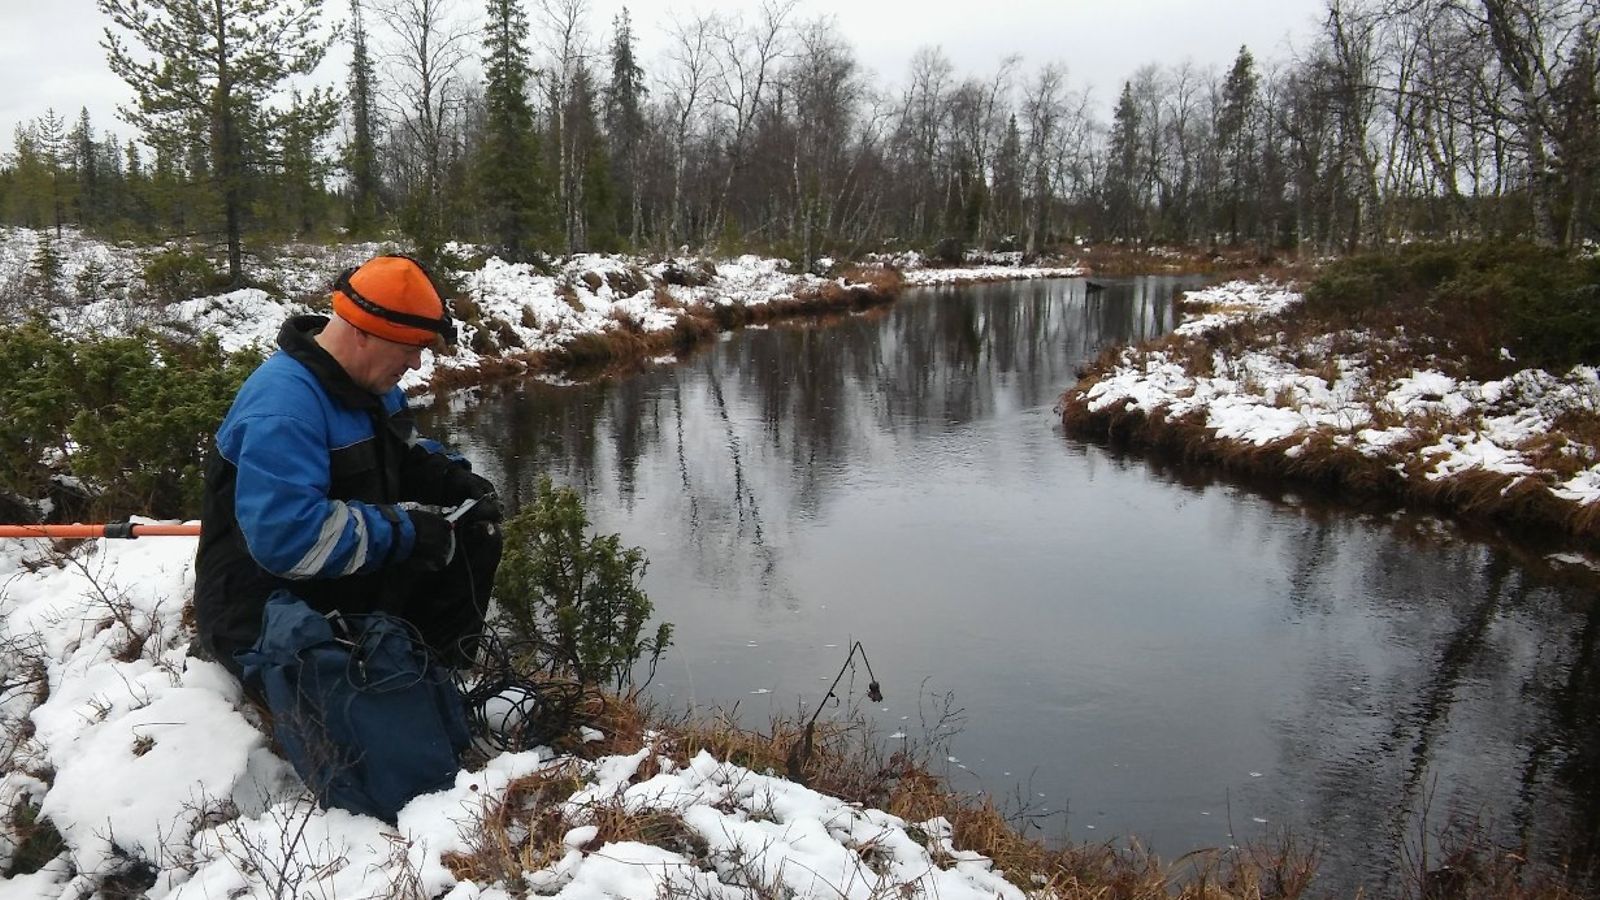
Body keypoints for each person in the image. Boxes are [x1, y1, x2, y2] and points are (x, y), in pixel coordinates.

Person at [194, 254, 502, 682]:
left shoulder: (372, 383)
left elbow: (404, 452)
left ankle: (437, 678)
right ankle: (403, 691)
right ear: (362, 334)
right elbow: (291, 540)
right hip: (265, 611)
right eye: (410, 348)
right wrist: (407, 532)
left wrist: (450, 477)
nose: (416, 364)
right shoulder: (284, 410)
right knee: (380, 726)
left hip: (337, 583)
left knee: (475, 538)